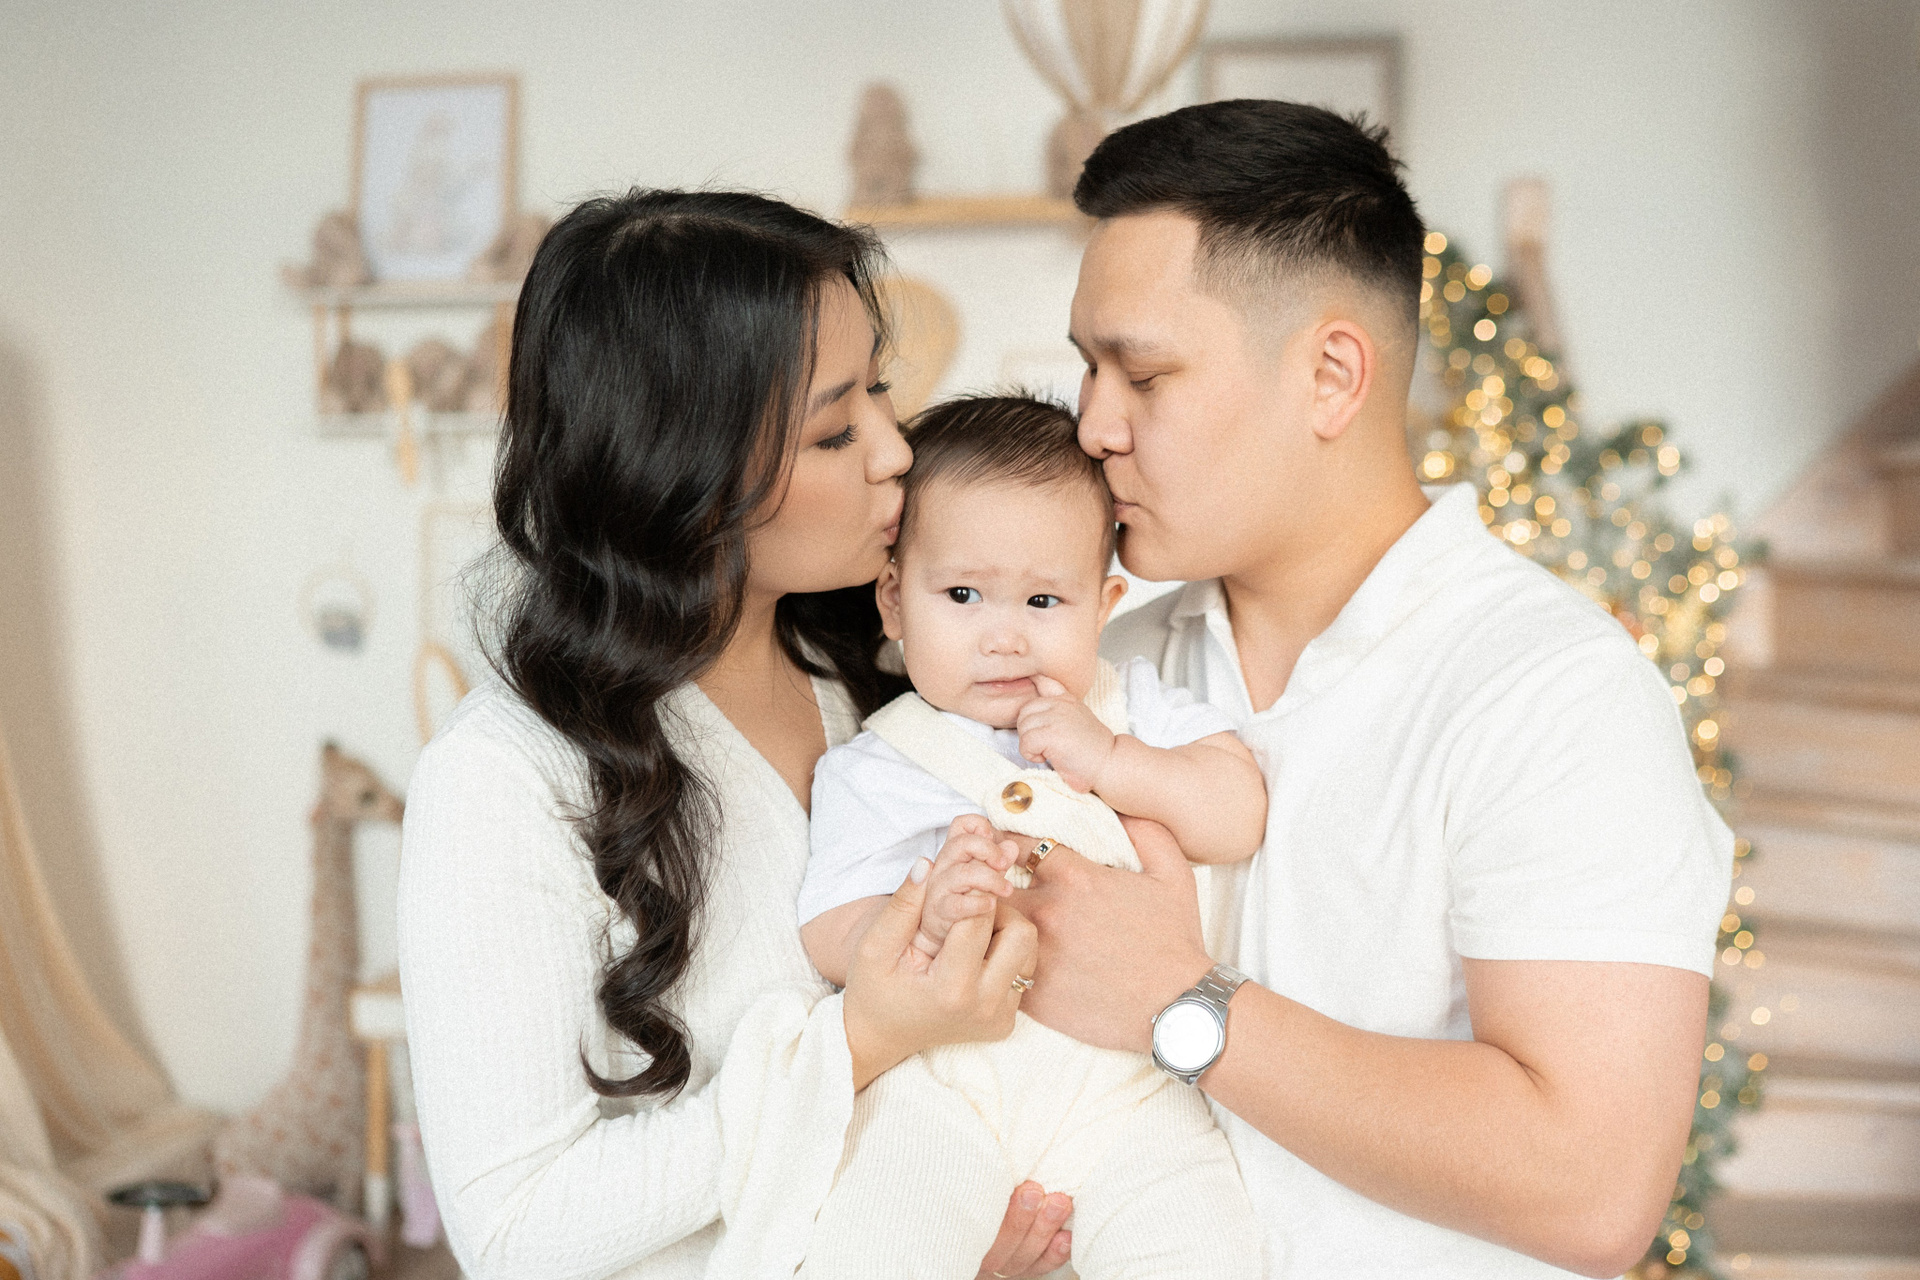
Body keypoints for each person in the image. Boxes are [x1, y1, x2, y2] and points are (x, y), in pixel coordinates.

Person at [1006, 100, 1734, 1279]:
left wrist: (1179, 999)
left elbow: (1591, 1185)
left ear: (1332, 375)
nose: (1092, 424)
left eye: (1142, 373)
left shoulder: (1553, 694)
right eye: (1088, 368)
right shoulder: (1092, 667)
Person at [396, 189, 1072, 1280]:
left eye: (881, 391)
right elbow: (516, 1230)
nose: (896, 452)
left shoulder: (878, 678)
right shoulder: (506, 777)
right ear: (681, 471)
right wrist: (858, 1041)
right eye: (835, 429)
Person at [796, 395, 1265, 1278]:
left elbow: (1236, 813)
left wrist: (1118, 761)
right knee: (875, 1240)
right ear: (894, 600)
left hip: (1132, 1089)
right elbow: (827, 929)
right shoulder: (875, 763)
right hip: (947, 1088)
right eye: (962, 595)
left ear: (1104, 605)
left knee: (1203, 1245)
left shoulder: (1131, 707)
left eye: (1044, 600)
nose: (1004, 636)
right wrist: (924, 919)